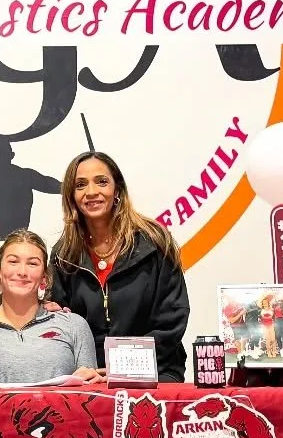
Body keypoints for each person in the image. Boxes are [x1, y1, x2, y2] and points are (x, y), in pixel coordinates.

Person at [49, 152, 191, 381]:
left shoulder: (153, 242)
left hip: (156, 372)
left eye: (101, 182)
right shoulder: (64, 254)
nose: (91, 192)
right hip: (89, 375)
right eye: (80, 185)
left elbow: (171, 321)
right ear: (71, 196)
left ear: (117, 189)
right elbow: (63, 329)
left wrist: (119, 369)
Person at [0, 229, 100, 386]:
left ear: (44, 277)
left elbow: (90, 398)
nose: (22, 272)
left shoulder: (74, 325)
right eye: (13, 262)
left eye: (32, 263)